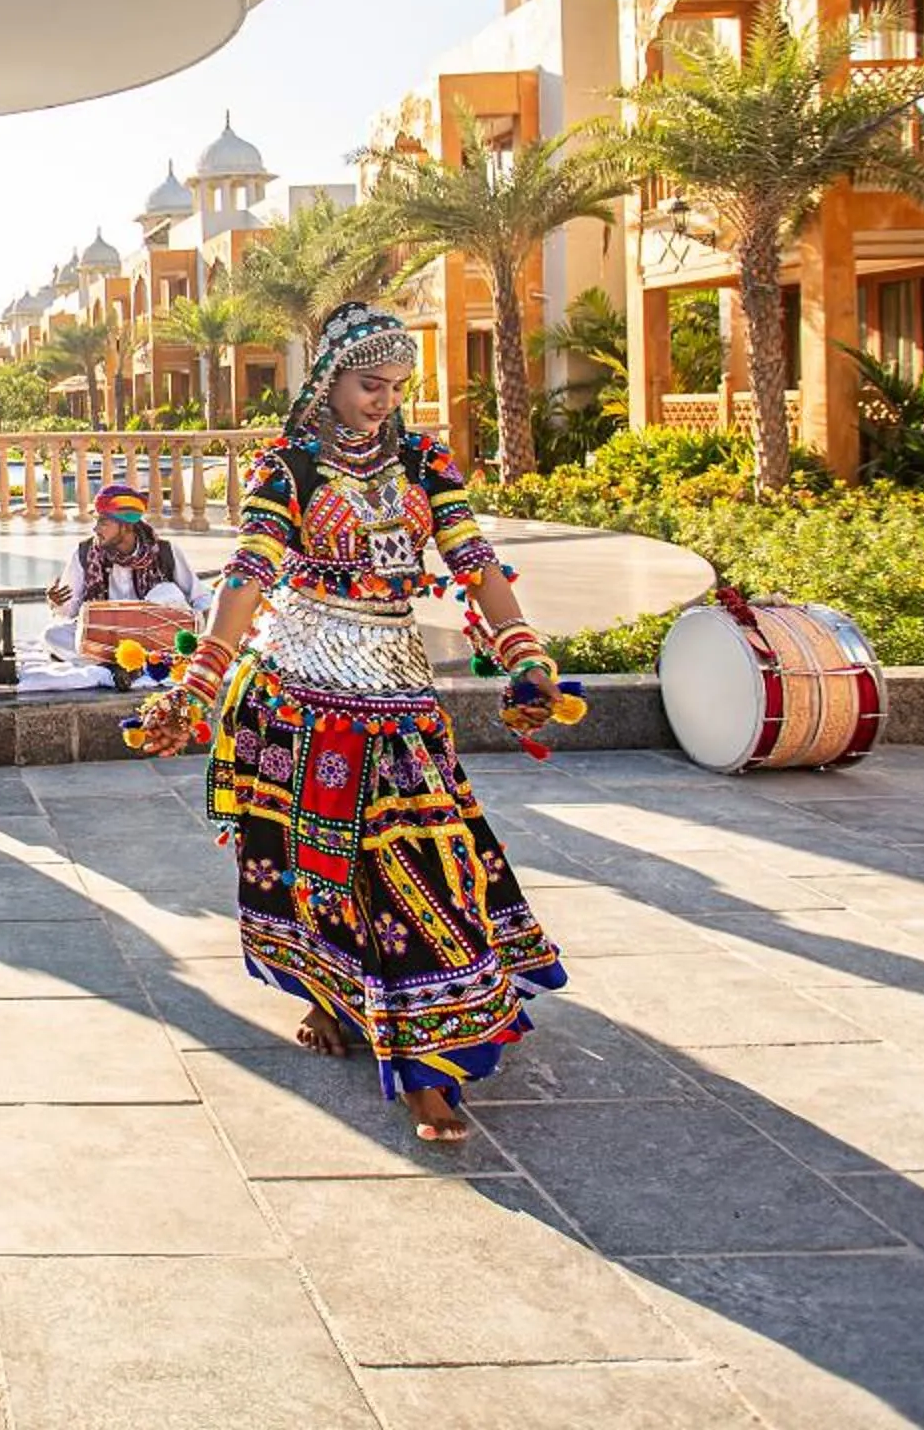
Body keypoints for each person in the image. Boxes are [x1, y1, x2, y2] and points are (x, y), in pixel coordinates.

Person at [132, 302, 569, 1144]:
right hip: (300, 686)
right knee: (309, 857)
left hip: (397, 686)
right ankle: (333, 1000)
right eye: (371, 384)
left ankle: (428, 1057)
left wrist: (523, 652)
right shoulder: (288, 466)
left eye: (398, 385)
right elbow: (250, 572)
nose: (385, 400)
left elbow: (473, 560)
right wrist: (200, 680)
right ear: (331, 381)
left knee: (426, 857)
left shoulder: (422, 459)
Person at [44, 483, 204, 661]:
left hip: (153, 639)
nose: (96, 529)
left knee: (167, 592)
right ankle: (120, 665)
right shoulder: (85, 552)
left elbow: (200, 598)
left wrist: (207, 638)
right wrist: (57, 602)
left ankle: (110, 664)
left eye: (103, 522)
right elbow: (70, 612)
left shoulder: (166, 551)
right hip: (106, 638)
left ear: (126, 527)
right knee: (53, 634)